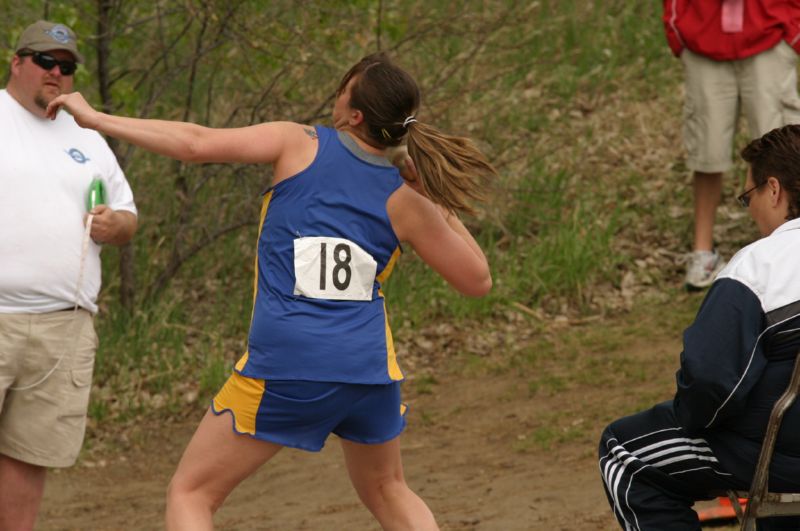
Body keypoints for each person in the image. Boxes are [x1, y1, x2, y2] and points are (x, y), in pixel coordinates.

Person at [48, 52, 494, 530]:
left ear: (355, 114)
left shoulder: (298, 143)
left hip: (288, 363)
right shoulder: (404, 196)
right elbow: (478, 280)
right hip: (368, 370)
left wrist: (95, 118)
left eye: (344, 87)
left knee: (191, 492)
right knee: (389, 490)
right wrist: (431, 194)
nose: (337, 93)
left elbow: (195, 144)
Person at [599, 124, 800, 530]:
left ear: (774, 190)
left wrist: (695, 421)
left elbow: (709, 382)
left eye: (749, 197)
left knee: (625, 452)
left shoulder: (758, 266)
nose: (751, 212)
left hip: (783, 455)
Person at [0, 20, 138, 531]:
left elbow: (127, 216)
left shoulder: (87, 133)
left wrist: (114, 224)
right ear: (17, 63)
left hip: (64, 326)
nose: (56, 74)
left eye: (67, 67)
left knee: (28, 454)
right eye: (45, 62)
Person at [662, 0, 800, 289]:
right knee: (707, 154)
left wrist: (793, 27)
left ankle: (785, 255)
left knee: (785, 155)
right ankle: (703, 254)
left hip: (770, 29)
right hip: (703, 36)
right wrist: (679, 31)